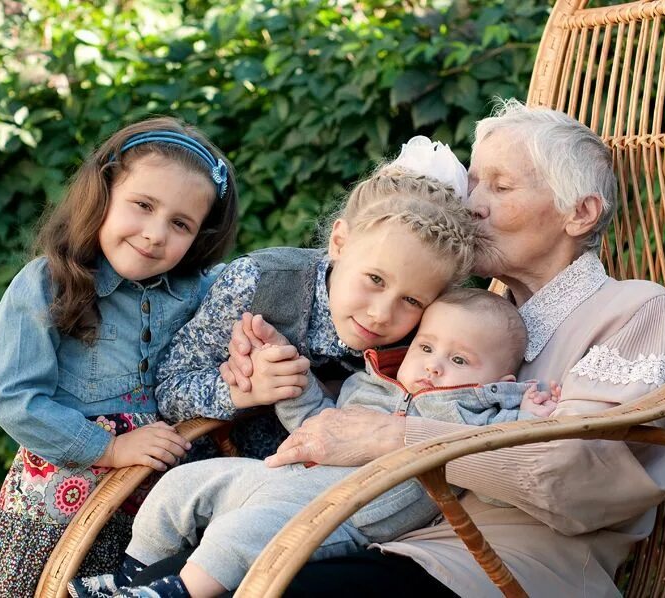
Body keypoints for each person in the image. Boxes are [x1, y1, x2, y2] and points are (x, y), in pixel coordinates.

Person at [132, 99, 665, 597]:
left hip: (498, 571)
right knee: (183, 571)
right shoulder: (466, 314)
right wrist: (265, 376)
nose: (473, 205)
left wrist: (393, 438)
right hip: (377, 533)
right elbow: (368, 397)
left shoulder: (636, 309)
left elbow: (581, 476)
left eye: (500, 188)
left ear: (581, 212)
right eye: (474, 184)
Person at [67, 136, 481, 597]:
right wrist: (243, 392)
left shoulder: (426, 337)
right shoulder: (259, 284)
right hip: (228, 469)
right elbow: (168, 388)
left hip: (332, 502)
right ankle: (133, 579)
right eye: (375, 280)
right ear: (340, 242)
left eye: (411, 299)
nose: (383, 313)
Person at [87, 288, 561, 598]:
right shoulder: (375, 384)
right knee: (181, 485)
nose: (434, 366)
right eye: (427, 348)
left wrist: (524, 413)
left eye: (459, 359)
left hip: (337, 517)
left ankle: (178, 593)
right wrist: (289, 371)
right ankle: (133, 575)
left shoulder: (477, 418)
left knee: (240, 536)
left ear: (499, 380)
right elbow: (316, 423)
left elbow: (500, 478)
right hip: (275, 475)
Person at [0, 117, 239, 597]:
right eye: (143, 206)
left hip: (154, 514)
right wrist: (108, 449)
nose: (154, 234)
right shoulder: (49, 283)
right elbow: (15, 398)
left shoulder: (201, 295)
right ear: (104, 194)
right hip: (58, 514)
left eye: (180, 223)